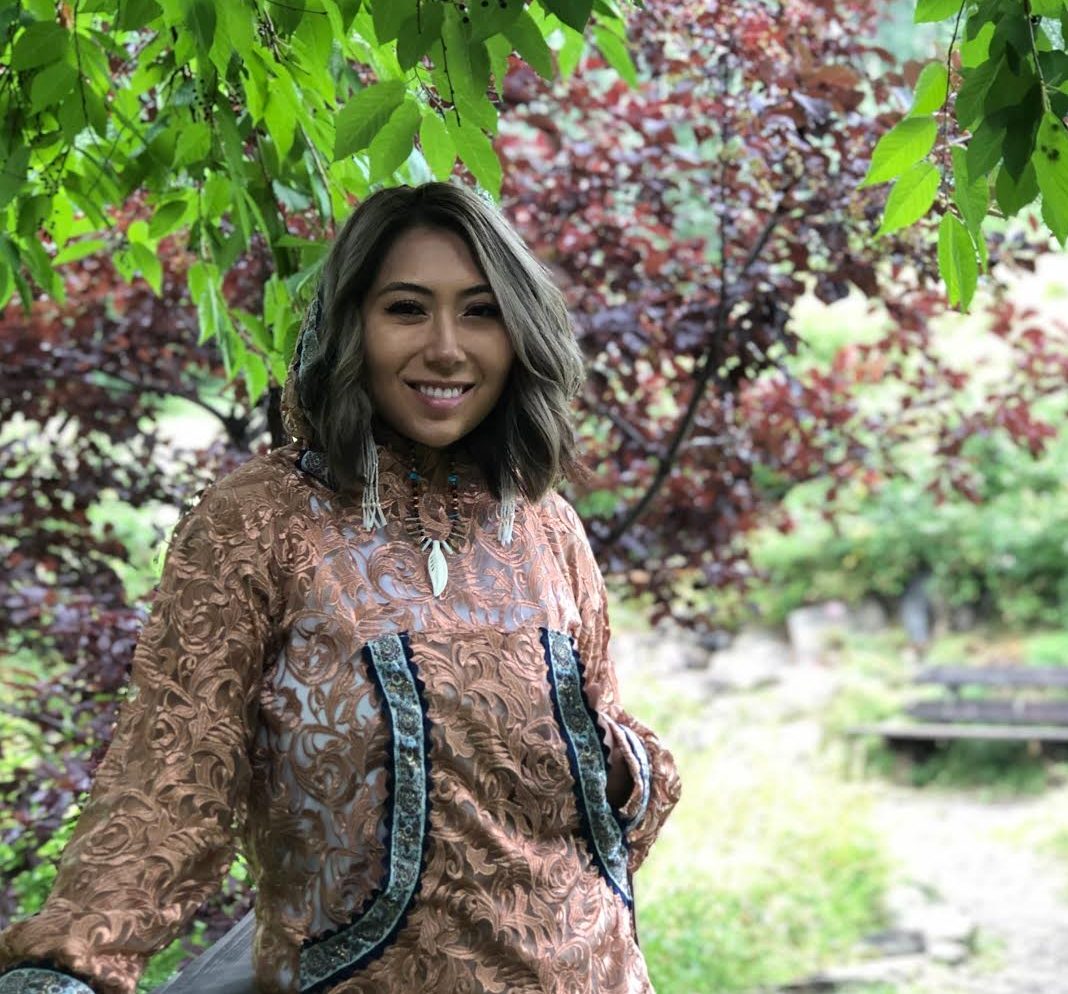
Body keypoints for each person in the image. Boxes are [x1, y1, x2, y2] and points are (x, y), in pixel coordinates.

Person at [0, 182, 682, 994]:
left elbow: (604, 749)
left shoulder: (545, 525)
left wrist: (622, 766)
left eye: (479, 311)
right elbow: (174, 769)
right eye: (406, 309)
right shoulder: (262, 520)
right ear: (351, 324)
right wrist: (71, 961)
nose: (446, 348)